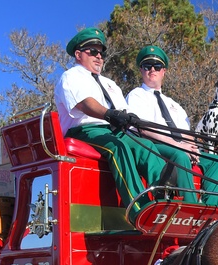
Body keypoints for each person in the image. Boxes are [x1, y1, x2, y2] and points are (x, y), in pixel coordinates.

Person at [54, 28, 163, 219]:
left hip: (114, 130)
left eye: (101, 53)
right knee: (117, 147)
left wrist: (132, 120)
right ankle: (140, 210)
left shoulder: (110, 83)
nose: (99, 57)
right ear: (78, 54)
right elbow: (85, 104)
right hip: (85, 130)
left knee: (148, 148)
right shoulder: (71, 76)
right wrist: (110, 114)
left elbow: (125, 114)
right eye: (93, 52)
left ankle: (164, 203)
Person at [125, 45, 218, 206]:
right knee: (179, 156)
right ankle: (191, 208)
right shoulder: (136, 95)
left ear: (163, 71)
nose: (152, 69)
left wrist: (192, 147)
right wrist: (179, 146)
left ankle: (212, 211)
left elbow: (186, 133)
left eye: (157, 66)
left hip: (180, 146)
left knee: (217, 162)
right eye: (147, 66)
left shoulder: (173, 104)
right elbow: (144, 130)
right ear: (141, 70)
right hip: (154, 146)